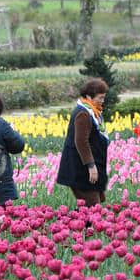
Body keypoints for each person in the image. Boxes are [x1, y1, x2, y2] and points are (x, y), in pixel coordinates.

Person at [57, 78, 110, 207]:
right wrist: (91, 166)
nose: (102, 101)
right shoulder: (83, 113)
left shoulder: (93, 112)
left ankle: (78, 225)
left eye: (104, 98)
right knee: (93, 206)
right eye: (100, 98)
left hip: (85, 168)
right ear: (89, 96)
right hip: (80, 170)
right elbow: (81, 141)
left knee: (93, 204)